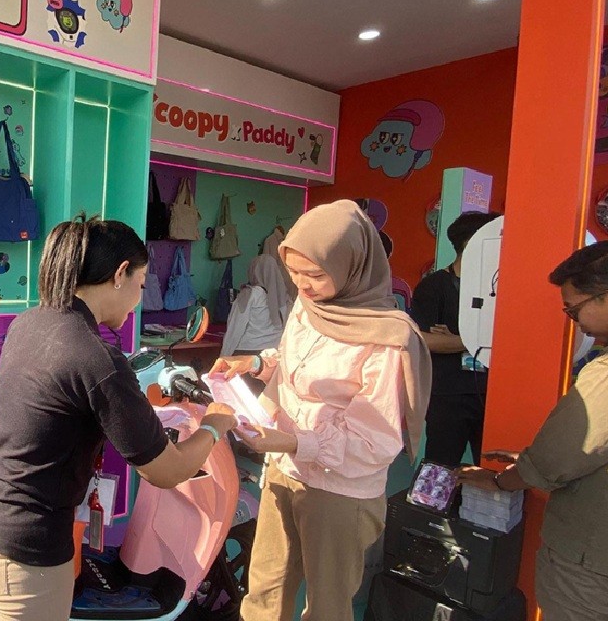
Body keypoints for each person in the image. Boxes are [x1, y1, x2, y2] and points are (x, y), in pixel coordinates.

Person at [0, 214, 239, 621]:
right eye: (141, 284)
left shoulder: (32, 323)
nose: (139, 297)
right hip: (27, 540)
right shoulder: (96, 358)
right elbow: (167, 471)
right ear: (120, 274)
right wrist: (215, 424)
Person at [212, 199, 431, 621]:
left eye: (315, 274)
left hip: (339, 490)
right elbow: (295, 361)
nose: (303, 285)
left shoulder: (387, 337)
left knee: (327, 604)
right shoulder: (309, 306)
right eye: (293, 272)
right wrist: (255, 364)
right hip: (284, 469)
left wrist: (295, 442)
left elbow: (375, 439)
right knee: (265, 590)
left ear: (352, 266)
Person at [459, 241, 608, 621]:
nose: (575, 322)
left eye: (573, 309)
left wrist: (502, 481)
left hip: (605, 564)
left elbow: (556, 460)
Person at [411, 211, 500, 466]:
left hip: (492, 392)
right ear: (470, 243)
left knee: (493, 467)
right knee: (439, 467)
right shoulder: (434, 286)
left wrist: (456, 340)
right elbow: (423, 340)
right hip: (448, 395)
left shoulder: (498, 288)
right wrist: (481, 341)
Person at [220, 234, 293, 359]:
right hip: (273, 353)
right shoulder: (284, 297)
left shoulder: (250, 294)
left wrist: (224, 355)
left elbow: (235, 327)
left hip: (247, 351)